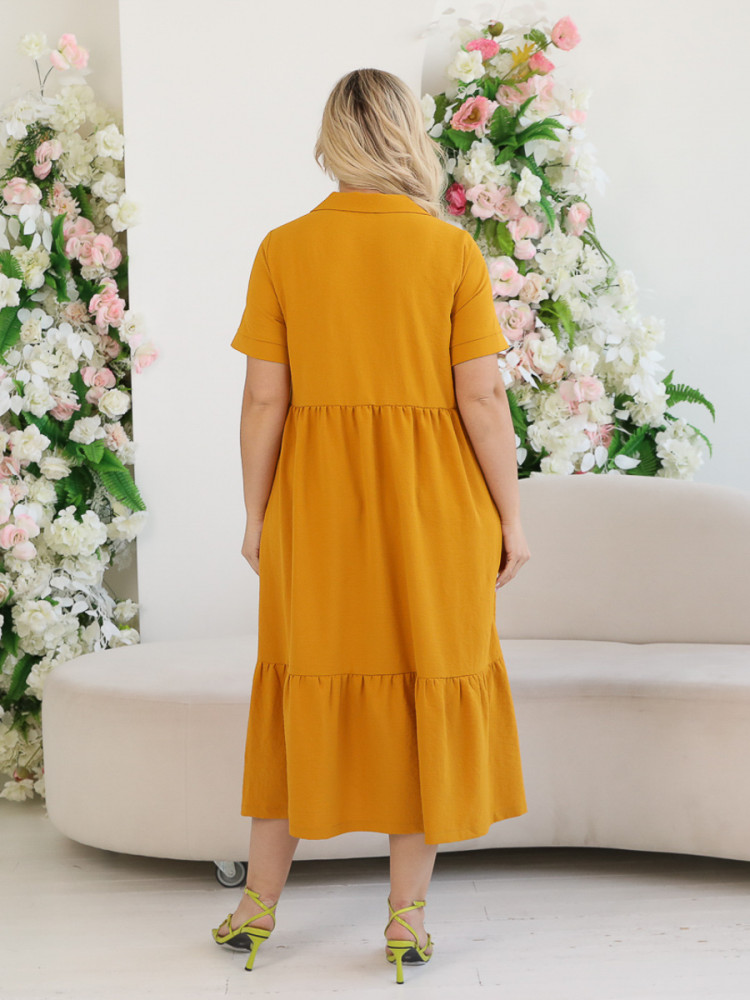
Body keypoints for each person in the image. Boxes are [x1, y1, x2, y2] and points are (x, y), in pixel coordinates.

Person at [212, 67, 531, 984]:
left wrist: (257, 515)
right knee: (425, 688)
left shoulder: (284, 249)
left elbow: (263, 400)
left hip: (316, 513)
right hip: (437, 513)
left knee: (295, 688)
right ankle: (405, 920)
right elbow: (483, 399)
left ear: (333, 141)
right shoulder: (451, 253)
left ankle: (257, 907)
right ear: (406, 137)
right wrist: (511, 517)